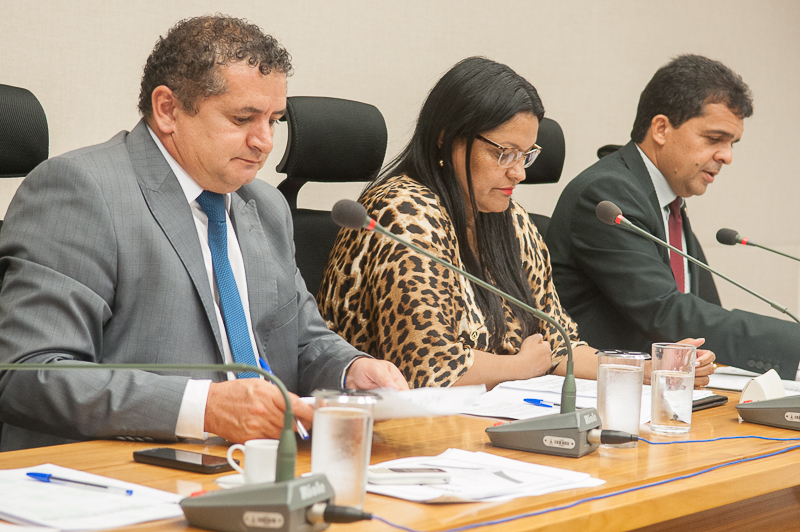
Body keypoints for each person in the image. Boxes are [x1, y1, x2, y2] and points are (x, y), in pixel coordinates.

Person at [0, 15, 406, 452]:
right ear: (168, 109)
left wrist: (350, 369)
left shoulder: (265, 206)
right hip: (124, 468)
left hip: (256, 462)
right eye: (243, 118)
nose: (265, 141)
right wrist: (203, 408)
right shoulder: (83, 190)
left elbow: (301, 340)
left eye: (274, 120)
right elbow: (29, 372)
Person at [317, 57, 715, 390]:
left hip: (481, 421)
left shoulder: (512, 221)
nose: (519, 173)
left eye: (526, 155)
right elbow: (429, 369)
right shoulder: (402, 212)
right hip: (385, 427)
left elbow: (559, 346)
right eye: (504, 153)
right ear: (446, 138)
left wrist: (647, 369)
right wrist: (521, 367)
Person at [546, 54, 800, 380]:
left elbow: (703, 312)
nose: (727, 156)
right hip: (606, 391)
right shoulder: (608, 194)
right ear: (662, 129)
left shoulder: (667, 199)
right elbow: (666, 312)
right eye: (714, 139)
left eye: (732, 143)